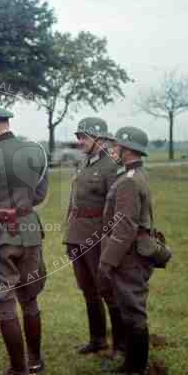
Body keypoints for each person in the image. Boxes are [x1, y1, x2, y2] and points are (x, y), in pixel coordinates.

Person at [0, 106, 48, 375]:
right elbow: (39, 194)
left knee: (5, 303)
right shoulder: (35, 150)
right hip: (29, 232)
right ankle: (36, 361)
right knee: (30, 299)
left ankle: (19, 371)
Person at [63, 117, 126, 358]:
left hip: (98, 237)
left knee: (107, 289)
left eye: (84, 137)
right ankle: (98, 339)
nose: (80, 141)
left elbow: (115, 207)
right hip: (77, 234)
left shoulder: (112, 166)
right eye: (79, 137)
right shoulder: (84, 163)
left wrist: (109, 239)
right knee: (88, 289)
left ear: (100, 140)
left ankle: (120, 345)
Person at [99, 126, 154, 375]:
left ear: (127, 150)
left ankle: (137, 374)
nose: (113, 150)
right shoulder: (133, 175)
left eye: (117, 147)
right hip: (131, 253)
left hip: (128, 257)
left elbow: (124, 227)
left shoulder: (129, 181)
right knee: (129, 311)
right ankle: (130, 366)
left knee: (134, 314)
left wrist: (107, 262)